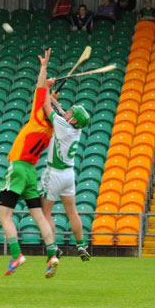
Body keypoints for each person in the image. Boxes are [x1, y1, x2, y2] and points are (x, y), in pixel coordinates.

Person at [0, 48, 59, 278]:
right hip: (32, 171)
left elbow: (40, 90)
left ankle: (16, 255)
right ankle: (52, 254)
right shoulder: (51, 128)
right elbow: (48, 102)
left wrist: (44, 68)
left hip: (18, 168)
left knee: (4, 216)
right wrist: (50, 92)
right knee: (38, 215)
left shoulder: (37, 116)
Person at [39, 92, 91, 261]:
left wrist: (45, 89)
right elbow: (60, 111)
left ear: (73, 120)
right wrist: (53, 98)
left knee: (45, 212)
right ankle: (81, 244)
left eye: (70, 112)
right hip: (69, 174)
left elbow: (47, 107)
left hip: (54, 173)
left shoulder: (63, 124)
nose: (67, 112)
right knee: (72, 212)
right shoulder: (77, 128)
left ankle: (52, 247)